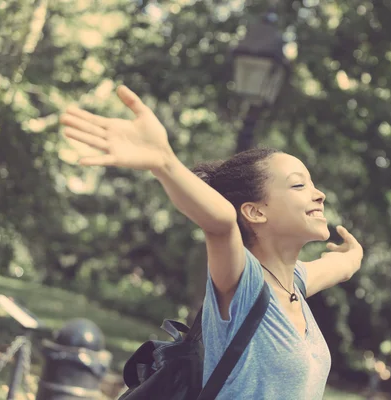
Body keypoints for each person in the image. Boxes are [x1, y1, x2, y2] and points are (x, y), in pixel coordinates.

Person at [59, 86, 364, 399]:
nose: (319, 194)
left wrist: (353, 256)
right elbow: (221, 224)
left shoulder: (293, 283)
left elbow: (340, 265)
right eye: (299, 185)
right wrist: (164, 163)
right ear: (255, 212)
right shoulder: (243, 285)